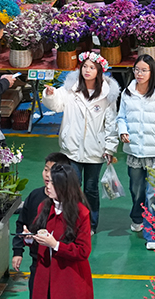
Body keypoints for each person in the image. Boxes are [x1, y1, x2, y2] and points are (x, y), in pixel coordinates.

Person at [42, 52, 120, 232]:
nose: (87, 70)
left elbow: (111, 123)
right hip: (72, 148)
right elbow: (56, 104)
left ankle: (91, 224)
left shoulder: (107, 95)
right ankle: (74, 222)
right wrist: (50, 94)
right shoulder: (70, 89)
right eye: (85, 66)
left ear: (99, 71)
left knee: (91, 189)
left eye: (92, 67)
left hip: (96, 151)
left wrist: (110, 147)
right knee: (73, 187)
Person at [117, 54, 155, 251]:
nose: (139, 74)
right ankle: (137, 216)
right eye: (137, 70)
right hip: (134, 153)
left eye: (144, 70)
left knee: (153, 195)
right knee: (137, 191)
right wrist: (122, 131)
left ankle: (153, 234)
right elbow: (121, 117)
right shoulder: (127, 93)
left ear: (152, 72)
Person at [27, 163, 94, 299]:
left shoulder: (81, 213)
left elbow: (83, 251)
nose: (48, 185)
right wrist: (29, 238)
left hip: (68, 278)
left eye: (53, 183)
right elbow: (38, 241)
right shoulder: (44, 207)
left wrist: (55, 245)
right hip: (44, 277)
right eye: (49, 181)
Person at [13, 152, 72, 296]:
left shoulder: (73, 206)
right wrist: (18, 250)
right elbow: (22, 223)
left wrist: (54, 244)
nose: (47, 175)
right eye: (46, 169)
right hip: (38, 263)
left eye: (52, 172)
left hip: (63, 266)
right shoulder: (35, 196)